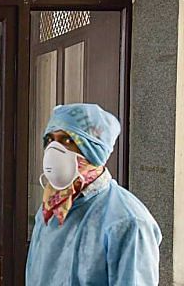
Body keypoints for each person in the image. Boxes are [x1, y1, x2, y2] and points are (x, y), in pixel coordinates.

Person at [26, 103, 161, 285]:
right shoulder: (50, 211)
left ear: (93, 150)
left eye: (67, 141)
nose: (54, 150)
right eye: (50, 140)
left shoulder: (127, 222)